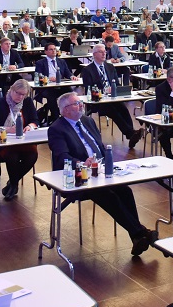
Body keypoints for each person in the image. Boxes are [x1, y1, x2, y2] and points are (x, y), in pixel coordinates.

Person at [48, 92, 159, 255]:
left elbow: (99, 147)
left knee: (125, 191)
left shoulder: (88, 121)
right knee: (107, 194)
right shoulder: (56, 129)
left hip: (100, 169)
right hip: (77, 177)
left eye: (80, 102)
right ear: (65, 110)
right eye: (76, 104)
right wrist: (82, 163)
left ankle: (137, 236)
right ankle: (140, 232)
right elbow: (61, 156)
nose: (81, 106)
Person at [0, 79, 40, 200]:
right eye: (18, 93)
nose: (20, 97)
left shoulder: (27, 102)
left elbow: (35, 120)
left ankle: (12, 182)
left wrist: (30, 126)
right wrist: (7, 129)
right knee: (12, 156)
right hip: (4, 142)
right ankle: (14, 185)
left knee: (33, 154)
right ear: (11, 90)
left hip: (23, 141)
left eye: (23, 94)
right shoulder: (1, 103)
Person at [81, 44, 144, 148]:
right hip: (98, 101)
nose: (104, 54)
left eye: (104, 52)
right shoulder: (87, 70)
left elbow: (117, 84)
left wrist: (116, 89)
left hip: (112, 97)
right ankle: (131, 134)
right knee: (113, 111)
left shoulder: (110, 67)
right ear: (94, 54)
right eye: (101, 52)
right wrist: (104, 91)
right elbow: (88, 88)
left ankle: (132, 133)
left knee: (123, 108)